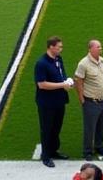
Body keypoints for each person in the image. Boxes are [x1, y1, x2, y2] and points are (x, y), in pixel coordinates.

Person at [74, 39, 103, 163]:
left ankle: (99, 147)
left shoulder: (102, 61)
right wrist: (82, 99)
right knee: (90, 128)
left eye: (101, 47)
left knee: (101, 127)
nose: (100, 49)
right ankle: (87, 151)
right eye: (98, 47)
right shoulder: (83, 64)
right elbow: (78, 81)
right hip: (91, 102)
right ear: (90, 49)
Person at [34, 36, 73, 168]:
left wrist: (66, 81)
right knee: (47, 129)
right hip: (47, 103)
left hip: (59, 100)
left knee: (56, 128)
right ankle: (45, 156)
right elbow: (42, 84)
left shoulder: (58, 59)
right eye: (59, 47)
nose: (61, 49)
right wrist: (62, 84)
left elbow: (61, 74)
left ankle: (53, 151)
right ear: (51, 47)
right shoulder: (41, 63)